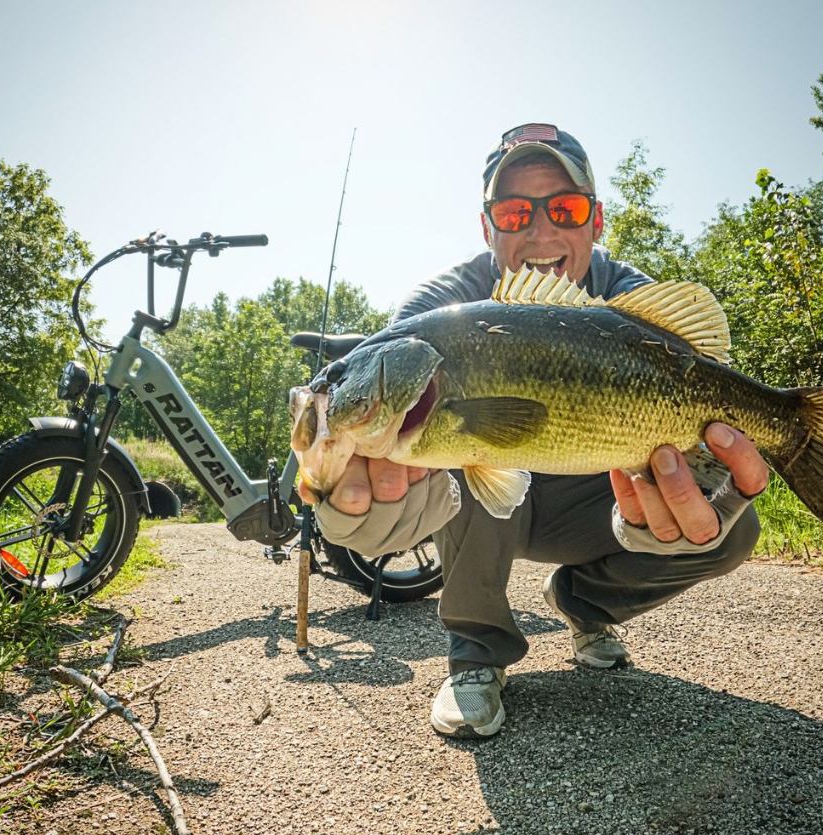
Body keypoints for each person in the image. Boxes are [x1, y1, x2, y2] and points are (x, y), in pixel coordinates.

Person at [302, 123, 769, 738]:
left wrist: (690, 487)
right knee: (459, 444)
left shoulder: (631, 295)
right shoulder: (440, 309)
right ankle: (476, 653)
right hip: (489, 510)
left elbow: (696, 366)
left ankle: (580, 604)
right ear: (487, 225)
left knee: (731, 528)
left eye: (566, 208)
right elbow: (399, 438)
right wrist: (365, 505)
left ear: (597, 220)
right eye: (515, 210)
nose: (541, 230)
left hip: (595, 502)